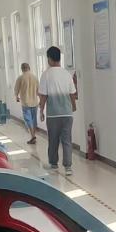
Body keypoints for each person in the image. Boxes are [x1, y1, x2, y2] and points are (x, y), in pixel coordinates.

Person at [38, 46, 77, 176]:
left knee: (53, 140)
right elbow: (72, 93)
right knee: (67, 140)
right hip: (67, 114)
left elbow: (43, 96)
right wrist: (73, 106)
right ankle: (68, 167)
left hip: (53, 115)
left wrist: (41, 110)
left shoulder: (46, 74)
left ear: (49, 58)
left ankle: (54, 164)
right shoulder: (66, 74)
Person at [14, 63, 40, 145]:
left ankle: (32, 136)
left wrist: (17, 97)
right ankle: (33, 136)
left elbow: (16, 89)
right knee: (34, 119)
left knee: (28, 119)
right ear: (29, 68)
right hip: (34, 102)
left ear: (22, 69)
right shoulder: (35, 77)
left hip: (25, 102)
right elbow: (38, 90)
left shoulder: (20, 78)